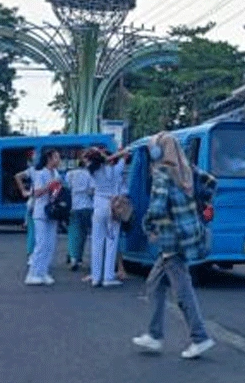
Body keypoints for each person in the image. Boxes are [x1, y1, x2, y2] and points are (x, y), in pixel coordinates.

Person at [132, 132, 215, 359]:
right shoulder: (188, 168)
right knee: (155, 283)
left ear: (157, 152)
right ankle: (154, 334)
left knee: (182, 289)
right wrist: (196, 206)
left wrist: (148, 226)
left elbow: (156, 209)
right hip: (188, 235)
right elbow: (211, 183)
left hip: (171, 239)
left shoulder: (163, 173)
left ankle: (199, 337)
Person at [89, 146, 129, 287]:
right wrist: (121, 153)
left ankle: (95, 277)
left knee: (96, 242)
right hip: (112, 207)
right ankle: (108, 277)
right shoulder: (115, 170)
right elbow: (124, 156)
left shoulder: (93, 171)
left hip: (98, 206)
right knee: (111, 242)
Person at [25, 149, 63, 286]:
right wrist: (49, 186)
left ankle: (43, 271)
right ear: (49, 158)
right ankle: (33, 273)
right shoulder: (40, 174)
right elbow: (37, 193)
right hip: (41, 212)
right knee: (41, 244)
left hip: (53, 212)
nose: (59, 160)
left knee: (50, 244)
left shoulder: (56, 174)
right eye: (57, 157)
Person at [66, 149, 97, 271]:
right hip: (88, 206)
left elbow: (67, 187)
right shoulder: (90, 174)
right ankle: (82, 257)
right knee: (85, 233)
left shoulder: (70, 174)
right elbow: (92, 190)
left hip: (74, 206)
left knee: (74, 232)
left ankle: (73, 258)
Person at [14, 149, 37, 265]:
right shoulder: (36, 171)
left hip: (32, 204)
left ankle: (32, 254)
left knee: (33, 231)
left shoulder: (32, 170)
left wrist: (24, 191)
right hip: (35, 205)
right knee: (36, 232)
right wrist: (24, 191)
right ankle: (32, 254)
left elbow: (17, 176)